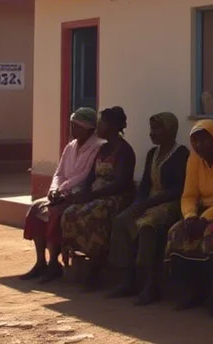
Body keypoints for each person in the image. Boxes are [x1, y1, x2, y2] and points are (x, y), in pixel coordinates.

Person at [106, 112, 189, 304]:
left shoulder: (181, 154)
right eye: (151, 129)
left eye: (157, 129)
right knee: (122, 220)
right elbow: (144, 184)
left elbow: (179, 188)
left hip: (169, 204)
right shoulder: (152, 154)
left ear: (170, 130)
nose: (152, 133)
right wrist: (137, 204)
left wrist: (149, 204)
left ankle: (151, 285)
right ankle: (127, 279)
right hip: (149, 202)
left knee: (147, 226)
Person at [165, 119, 213, 318]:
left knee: (211, 235)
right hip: (200, 214)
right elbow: (189, 195)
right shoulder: (193, 160)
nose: (200, 146)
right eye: (196, 141)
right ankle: (194, 292)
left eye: (204, 141)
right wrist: (190, 216)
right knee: (177, 232)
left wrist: (206, 218)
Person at [56, 106, 137, 290]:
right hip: (97, 195)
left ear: (113, 126)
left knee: (95, 215)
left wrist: (91, 196)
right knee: (70, 212)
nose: (98, 126)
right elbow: (91, 176)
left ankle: (96, 268)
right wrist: (83, 194)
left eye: (102, 123)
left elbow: (120, 183)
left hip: (116, 197)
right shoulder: (103, 149)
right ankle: (77, 260)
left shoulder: (124, 151)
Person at [20, 107, 103, 281]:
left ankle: (53, 263)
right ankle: (40, 261)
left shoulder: (97, 147)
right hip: (61, 192)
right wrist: (54, 190)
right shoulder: (70, 146)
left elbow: (86, 175)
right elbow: (59, 172)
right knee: (36, 209)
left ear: (87, 127)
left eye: (76, 126)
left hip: (78, 193)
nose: (71, 129)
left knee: (55, 214)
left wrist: (63, 190)